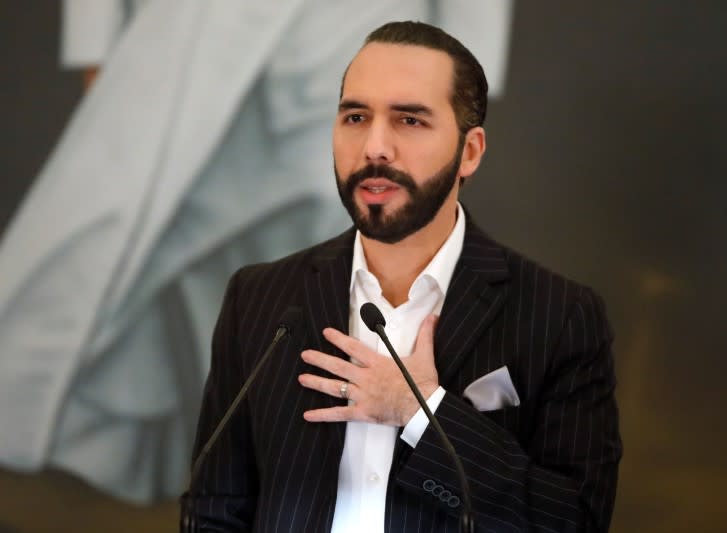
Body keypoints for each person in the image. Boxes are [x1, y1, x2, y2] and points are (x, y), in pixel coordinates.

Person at [0, 1, 513, 503]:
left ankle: (338, 478)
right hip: (195, 36)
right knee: (162, 258)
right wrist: (96, 40)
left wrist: (470, 72)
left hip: (359, 32)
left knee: (350, 270)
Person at [187, 21, 621, 533]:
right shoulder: (259, 299)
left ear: (470, 151)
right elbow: (215, 506)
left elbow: (574, 520)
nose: (374, 147)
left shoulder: (561, 316)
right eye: (355, 116)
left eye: (409, 120)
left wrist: (424, 414)